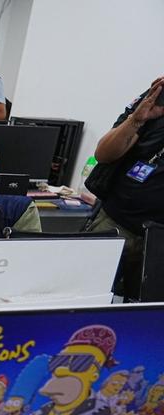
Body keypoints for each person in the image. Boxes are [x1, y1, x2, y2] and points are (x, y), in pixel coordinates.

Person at [86, 76, 164, 300]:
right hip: (117, 224)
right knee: (84, 298)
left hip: (159, 243)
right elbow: (103, 154)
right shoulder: (157, 96)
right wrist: (137, 120)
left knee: (146, 316)